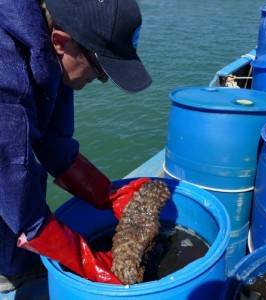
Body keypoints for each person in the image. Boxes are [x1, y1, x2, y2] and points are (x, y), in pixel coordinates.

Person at [0, 0, 152, 298]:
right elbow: (13, 187)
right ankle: (9, 273)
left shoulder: (53, 52)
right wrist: (88, 263)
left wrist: (107, 195)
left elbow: (53, 141)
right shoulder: (6, 87)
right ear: (61, 42)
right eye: (100, 68)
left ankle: (18, 264)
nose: (103, 80)